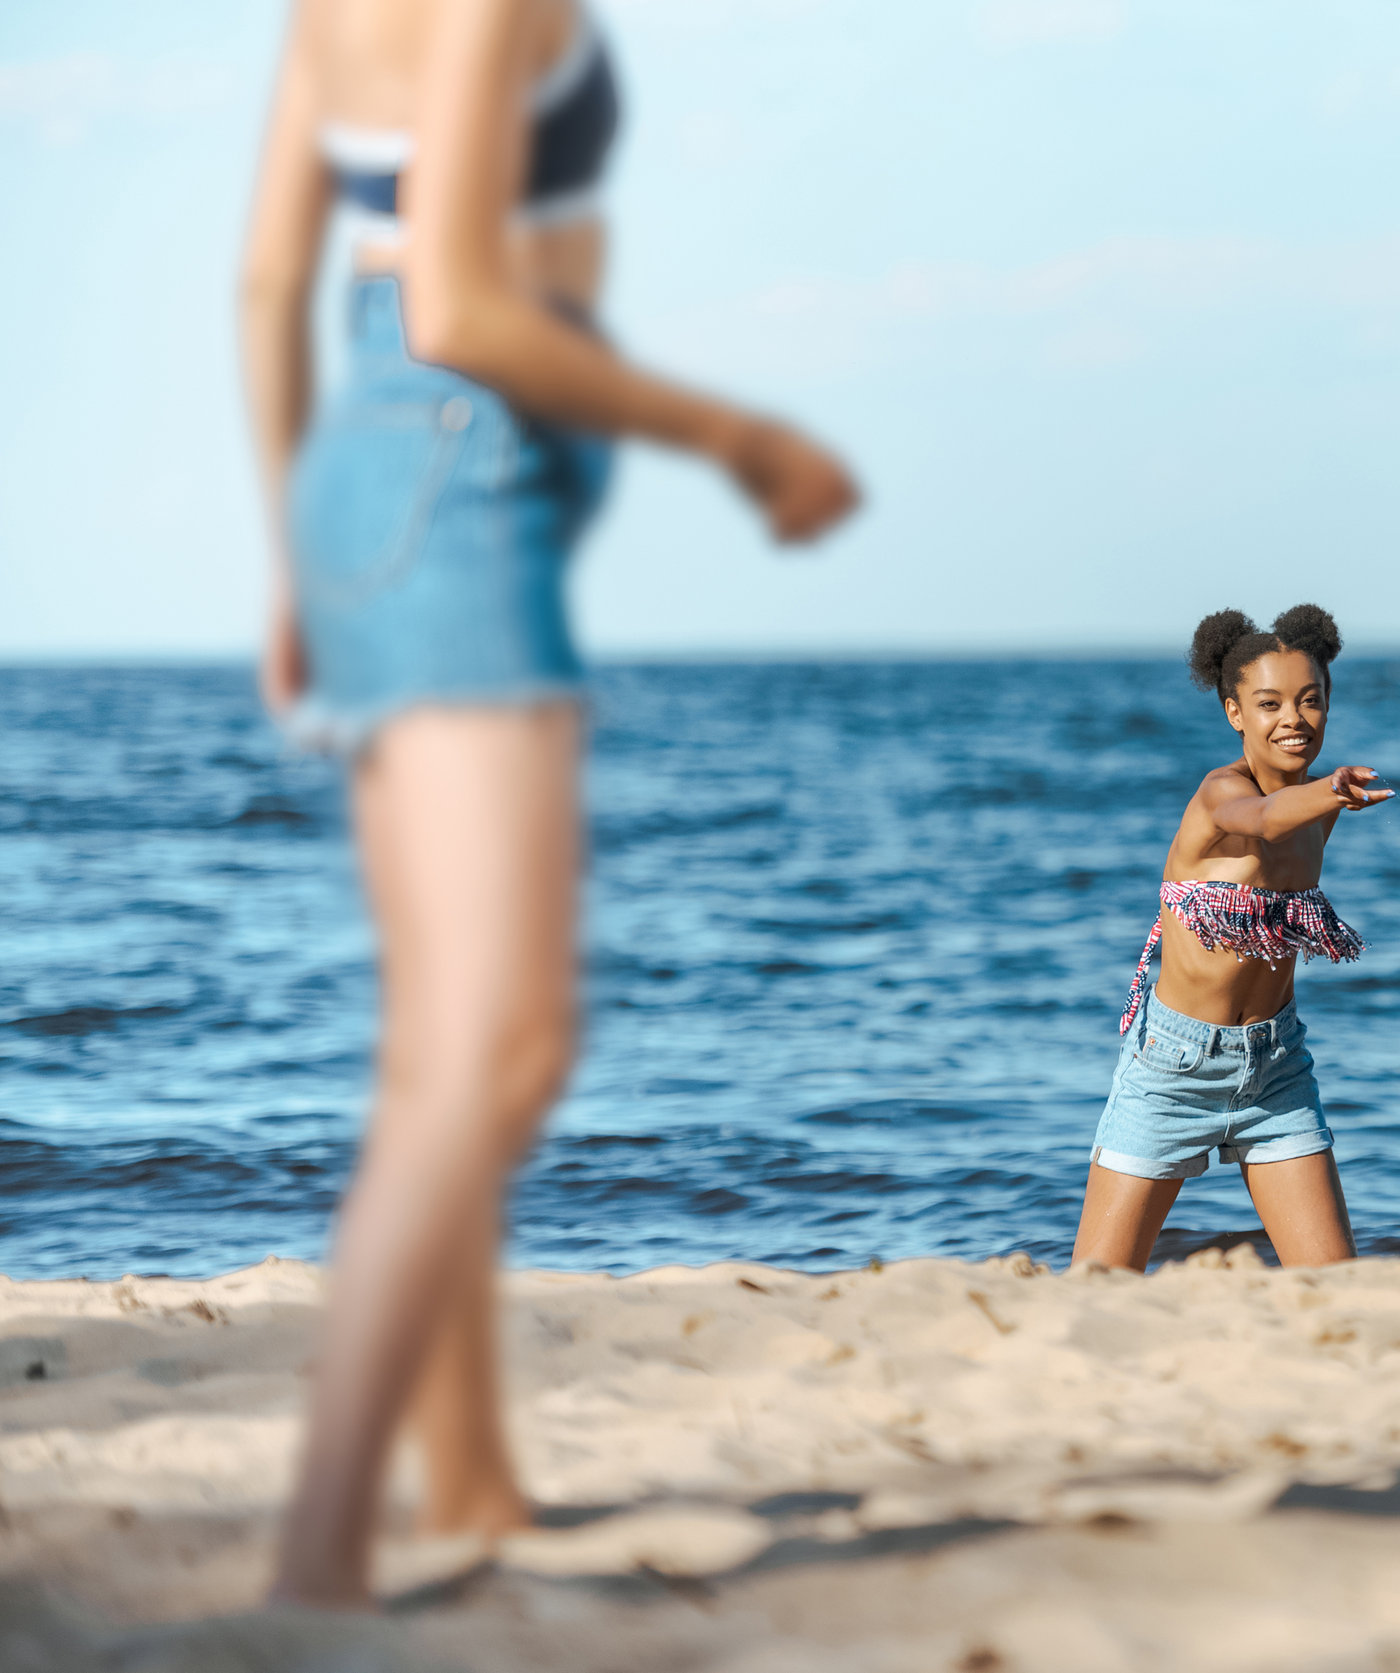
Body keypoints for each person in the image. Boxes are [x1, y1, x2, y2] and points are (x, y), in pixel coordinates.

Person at [238, 0, 859, 1605]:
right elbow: (456, 307)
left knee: (433, 1042)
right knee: (504, 1044)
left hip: (374, 476)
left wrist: (291, 554)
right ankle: (317, 1557)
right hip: (462, 458)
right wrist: (739, 437)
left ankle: (471, 1477)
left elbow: (264, 281)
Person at [1069, 606, 1393, 1271]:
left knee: (1337, 1286)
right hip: (1172, 1067)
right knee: (1096, 1285)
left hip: (1276, 1068)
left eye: (1311, 700)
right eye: (1269, 703)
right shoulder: (1221, 793)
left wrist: (1325, 796)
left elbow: (1291, 813)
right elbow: (1264, 817)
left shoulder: (1318, 812)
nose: (1293, 718)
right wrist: (1332, 790)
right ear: (1233, 712)